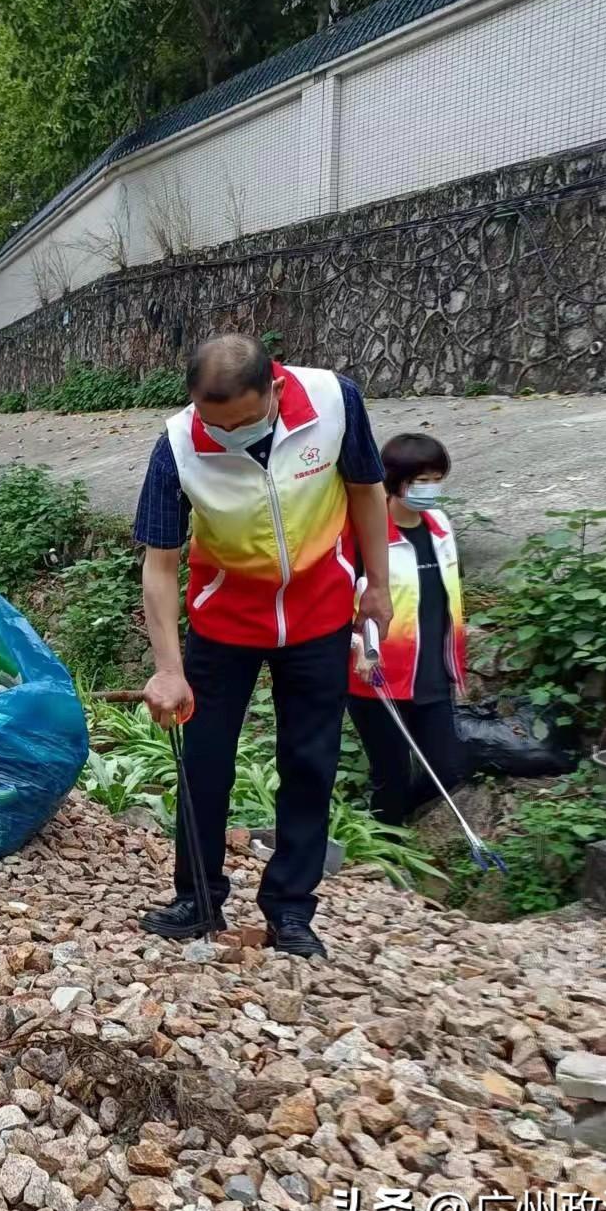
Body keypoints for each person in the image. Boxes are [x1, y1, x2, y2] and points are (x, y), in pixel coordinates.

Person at [134, 333, 392, 958]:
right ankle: (198, 898)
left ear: (274, 389)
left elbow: (366, 489)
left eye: (243, 422)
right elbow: (160, 564)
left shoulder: (333, 401)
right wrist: (168, 668)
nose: (228, 435)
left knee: (310, 761)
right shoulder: (177, 445)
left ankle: (291, 910)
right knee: (204, 760)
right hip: (224, 621)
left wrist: (378, 586)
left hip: (320, 614)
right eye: (215, 424)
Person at [348, 433, 468, 824]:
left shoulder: (439, 526)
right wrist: (360, 647)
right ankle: (385, 842)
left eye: (437, 479)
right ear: (395, 481)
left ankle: (389, 821)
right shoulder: (364, 535)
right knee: (391, 776)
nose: (431, 489)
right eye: (421, 481)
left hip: (433, 673)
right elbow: (339, 605)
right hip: (379, 676)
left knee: (448, 769)